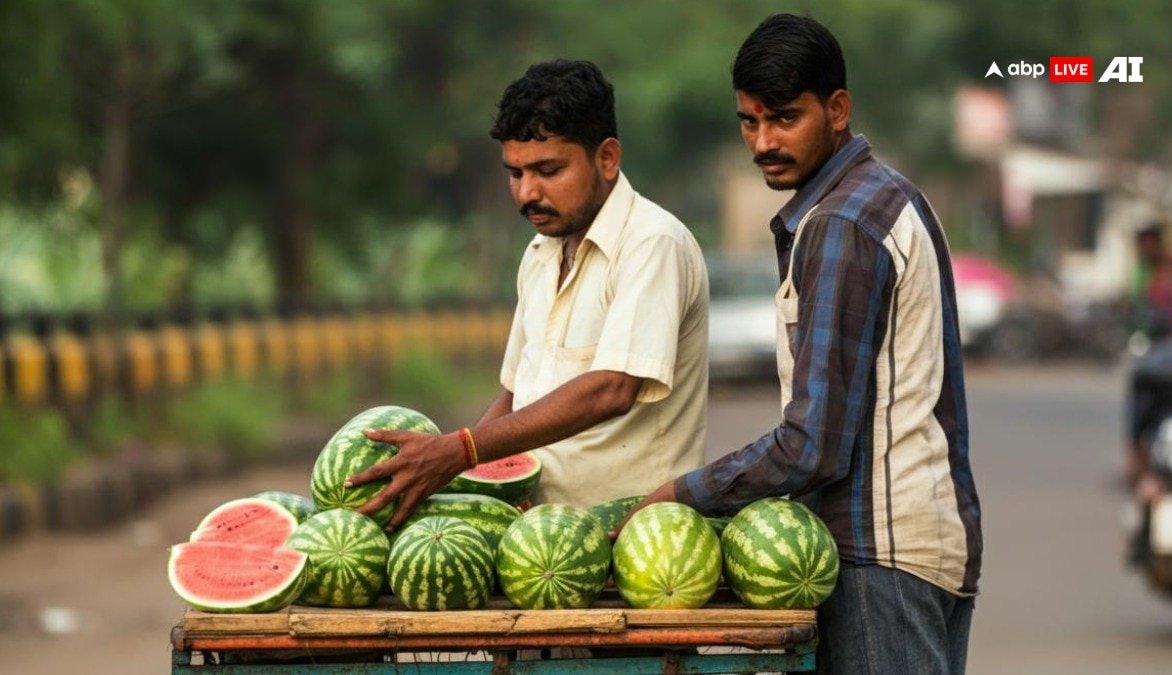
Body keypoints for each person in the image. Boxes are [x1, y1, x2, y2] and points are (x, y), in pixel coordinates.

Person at [622, 15, 981, 674]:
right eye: (749, 122)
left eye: (784, 118)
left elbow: (810, 444)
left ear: (837, 109)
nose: (763, 141)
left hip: (881, 556)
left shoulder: (842, 223)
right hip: (927, 542)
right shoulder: (888, 196)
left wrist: (682, 493)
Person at [345, 59, 710, 530]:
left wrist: (461, 449)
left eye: (548, 170)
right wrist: (465, 475)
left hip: (636, 534)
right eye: (515, 173)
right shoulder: (540, 253)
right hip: (538, 535)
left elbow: (613, 389)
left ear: (607, 158)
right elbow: (517, 394)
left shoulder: (652, 243)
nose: (526, 193)